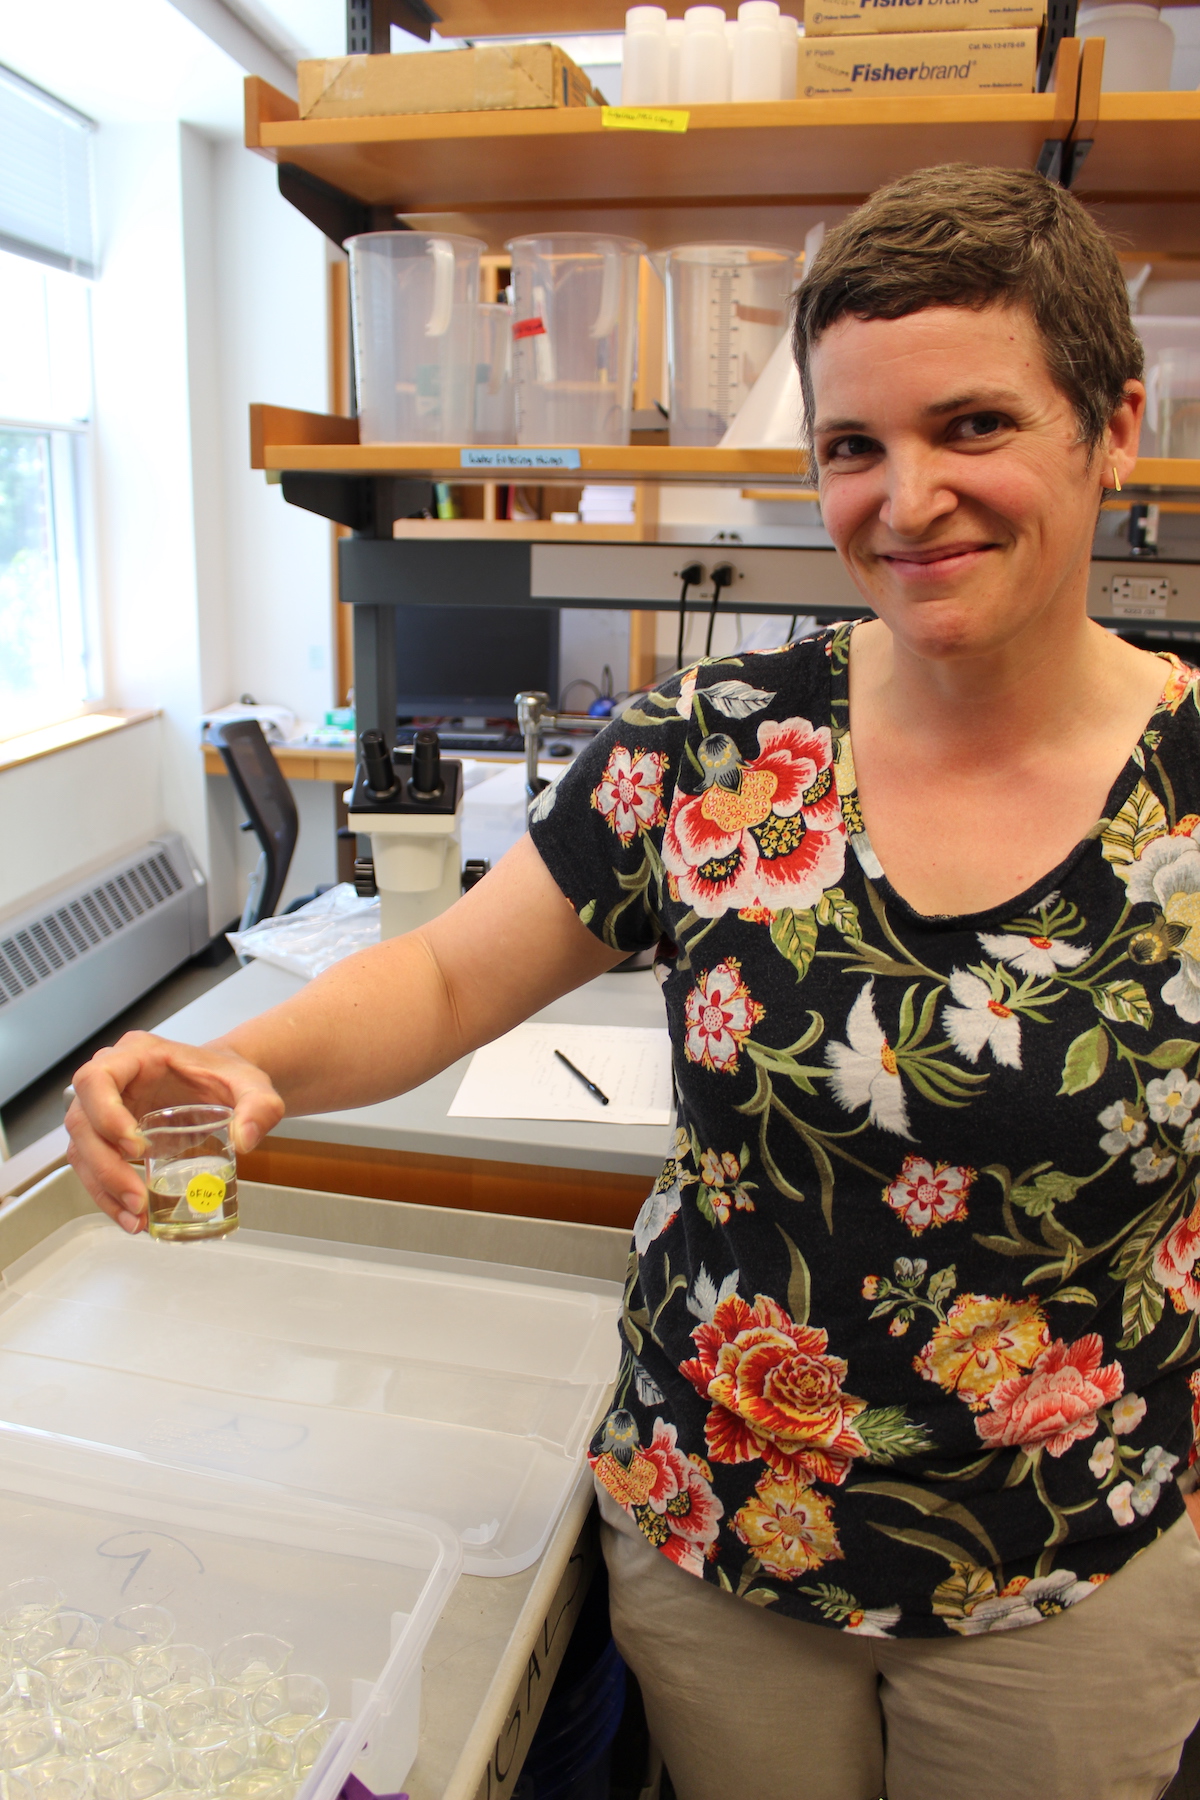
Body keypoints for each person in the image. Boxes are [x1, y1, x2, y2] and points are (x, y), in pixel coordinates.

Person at [68, 163, 1200, 1800]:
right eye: (851, 446)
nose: (907, 497)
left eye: (973, 427)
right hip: (718, 1530)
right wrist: (252, 1066)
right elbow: (454, 974)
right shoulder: (714, 746)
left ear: (1114, 427)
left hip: (1067, 1573)